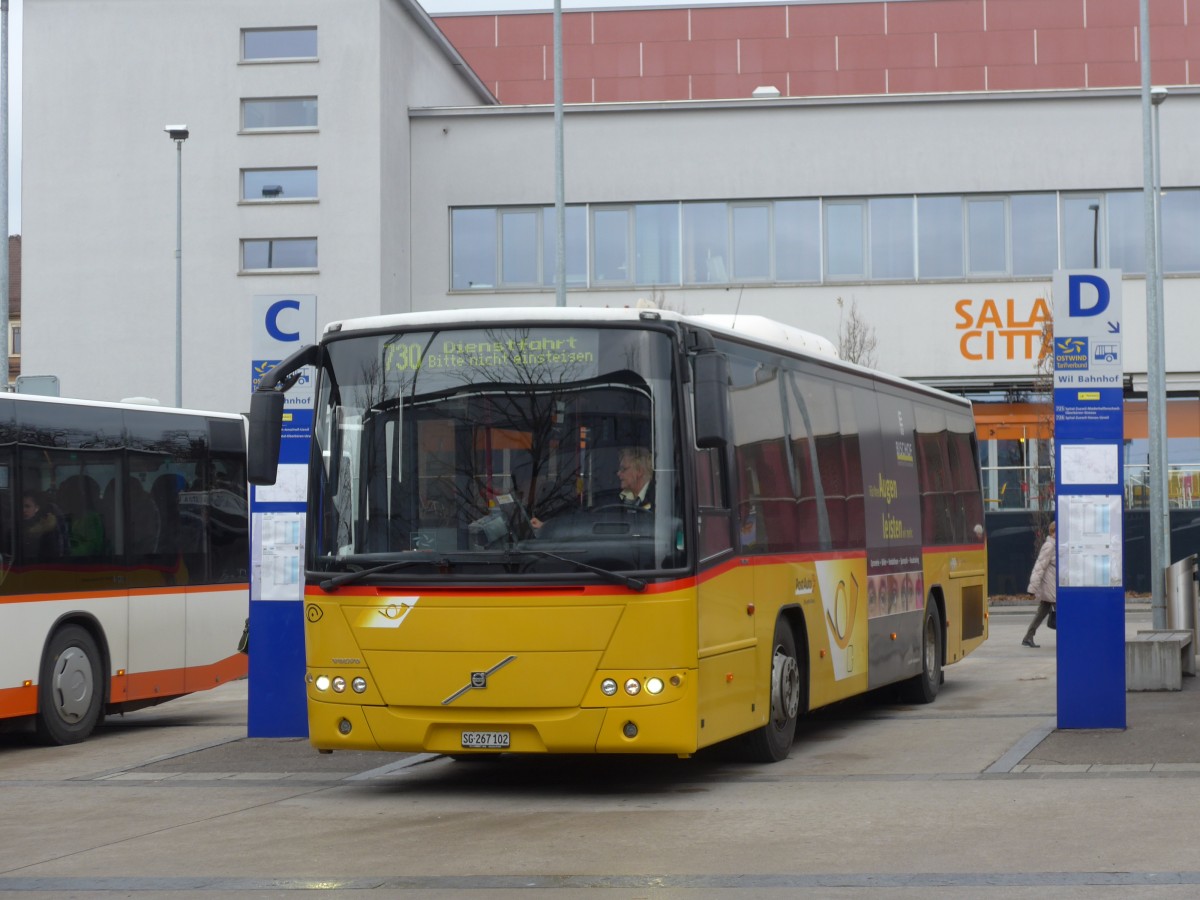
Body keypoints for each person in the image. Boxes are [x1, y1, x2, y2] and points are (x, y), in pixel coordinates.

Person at [1022, 521, 1056, 648]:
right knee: (1064, 612)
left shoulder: (1055, 545)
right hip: (1050, 586)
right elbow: (1039, 567)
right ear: (1053, 531)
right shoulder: (1050, 546)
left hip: (1051, 586)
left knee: (1041, 613)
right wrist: (1032, 588)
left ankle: (1028, 637)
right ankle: (1069, 638)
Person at [21, 490, 65, 561]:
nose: (23, 510)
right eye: (21, 506)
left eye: (27, 506)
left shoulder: (47, 526)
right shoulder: (14, 525)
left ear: (36, 508)